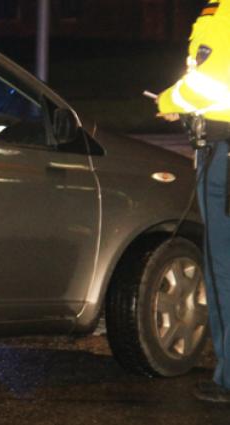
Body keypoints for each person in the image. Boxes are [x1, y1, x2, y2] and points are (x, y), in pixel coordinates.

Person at [157, 0, 230, 403]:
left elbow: (212, 84)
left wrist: (170, 100)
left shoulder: (223, 14)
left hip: (225, 152)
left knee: (223, 270)